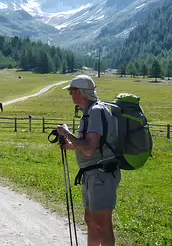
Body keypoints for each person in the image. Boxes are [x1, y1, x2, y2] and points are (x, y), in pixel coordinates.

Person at [57, 75, 121, 246]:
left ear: (81, 92)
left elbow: (89, 148)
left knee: (102, 223)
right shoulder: (90, 112)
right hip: (92, 175)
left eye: (72, 91)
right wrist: (71, 145)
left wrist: (66, 133)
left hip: (101, 175)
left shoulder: (95, 112)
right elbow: (92, 144)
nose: (70, 95)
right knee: (91, 221)